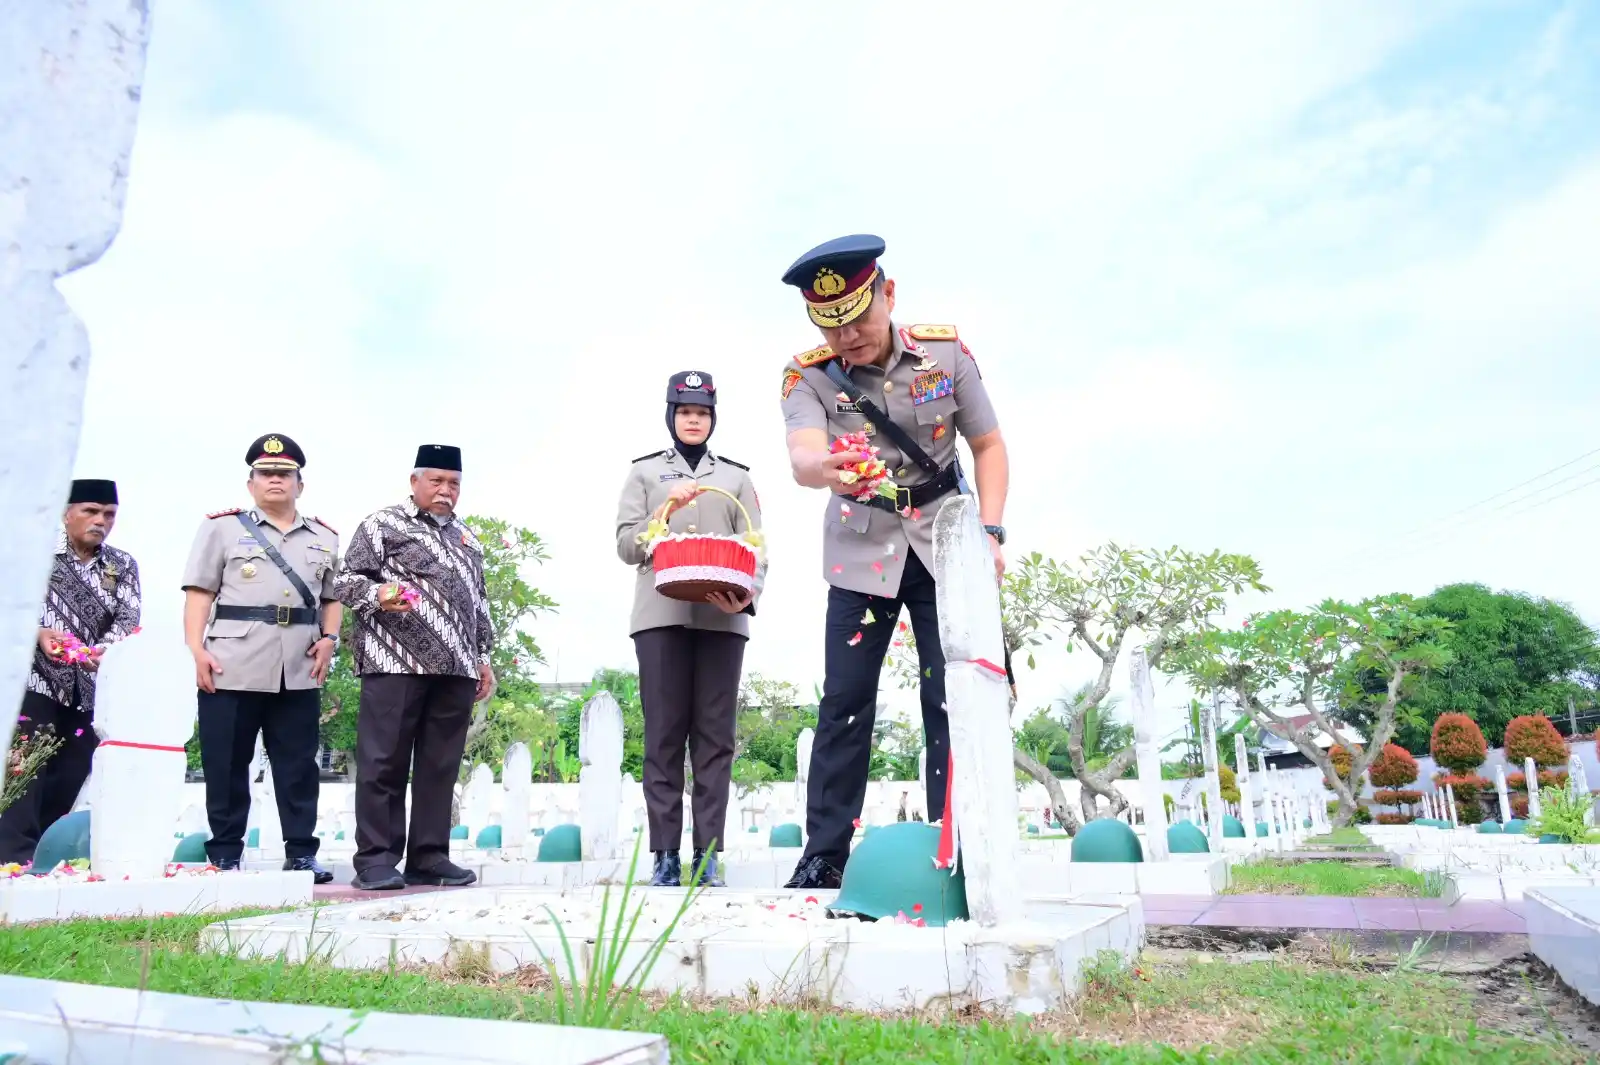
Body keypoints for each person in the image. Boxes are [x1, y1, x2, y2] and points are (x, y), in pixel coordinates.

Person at [776, 233, 1010, 889]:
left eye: (857, 317)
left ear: (889, 294)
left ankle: (956, 845)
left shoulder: (945, 353)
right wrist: (827, 466)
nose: (846, 336)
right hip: (861, 549)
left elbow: (989, 446)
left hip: (945, 545)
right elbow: (802, 456)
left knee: (951, 696)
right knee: (845, 701)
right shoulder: (806, 374)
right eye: (830, 325)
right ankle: (824, 855)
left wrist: (990, 532)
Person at [614, 371, 765, 888]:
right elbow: (626, 547)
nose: (693, 420)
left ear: (713, 418)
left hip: (724, 618)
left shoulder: (737, 477)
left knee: (715, 739)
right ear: (671, 416)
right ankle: (663, 855)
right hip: (660, 617)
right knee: (663, 735)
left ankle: (708, 855)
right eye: (684, 412)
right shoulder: (644, 473)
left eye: (702, 412)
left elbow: (757, 546)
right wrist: (665, 509)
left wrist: (748, 596)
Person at [334, 445, 495, 891]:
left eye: (454, 483)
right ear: (415, 481)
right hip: (394, 661)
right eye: (436, 481)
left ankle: (429, 857)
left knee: (439, 767)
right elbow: (345, 581)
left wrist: (483, 657)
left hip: (456, 667)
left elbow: (479, 602)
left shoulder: (467, 538)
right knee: (383, 761)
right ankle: (376, 860)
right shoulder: (383, 524)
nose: (446, 490)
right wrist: (379, 594)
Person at [180, 436, 341, 883]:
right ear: (251, 483)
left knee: (299, 766)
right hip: (232, 662)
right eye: (266, 473)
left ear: (299, 484)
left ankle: (301, 853)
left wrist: (330, 638)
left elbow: (332, 597)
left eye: (284, 474)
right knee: (227, 763)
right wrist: (196, 649)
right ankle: (226, 852)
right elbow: (200, 592)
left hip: (299, 666)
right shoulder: (221, 528)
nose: (275, 480)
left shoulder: (325, 536)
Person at [0, 479, 142, 865]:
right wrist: (38, 632)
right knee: (24, 770)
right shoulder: (32, 554)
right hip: (32, 682)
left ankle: (44, 858)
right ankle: (12, 859)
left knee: (71, 772)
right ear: (66, 513)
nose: (101, 521)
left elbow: (128, 618)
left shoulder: (121, 565)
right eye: (91, 511)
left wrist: (104, 650)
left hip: (90, 685)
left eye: (109, 514)